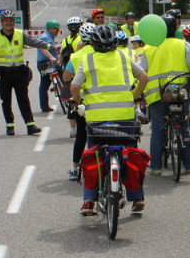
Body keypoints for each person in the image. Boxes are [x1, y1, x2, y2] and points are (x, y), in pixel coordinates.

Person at [70, 25, 149, 215]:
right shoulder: (123, 56)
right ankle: (137, 199)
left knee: (93, 156)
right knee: (130, 155)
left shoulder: (87, 59)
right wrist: (135, 96)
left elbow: (74, 87)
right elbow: (144, 77)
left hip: (97, 121)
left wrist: (80, 103)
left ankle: (89, 201)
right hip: (125, 119)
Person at [141, 13, 190, 176]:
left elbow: (141, 71)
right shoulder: (183, 45)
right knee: (184, 127)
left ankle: (156, 167)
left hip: (157, 96)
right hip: (180, 93)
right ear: (175, 28)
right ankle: (189, 165)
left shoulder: (148, 48)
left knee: (158, 130)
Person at [0, 10, 56, 135]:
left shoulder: (20, 34)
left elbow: (35, 42)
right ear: (2, 22)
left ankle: (30, 125)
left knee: (24, 99)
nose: (8, 23)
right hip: (4, 74)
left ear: (14, 22)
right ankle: (10, 126)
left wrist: (51, 47)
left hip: (19, 72)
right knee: (6, 101)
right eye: (6, 21)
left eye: (11, 21)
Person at [63, 22, 98, 181]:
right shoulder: (102, 53)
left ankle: (75, 168)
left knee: (81, 135)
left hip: (81, 100)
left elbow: (65, 77)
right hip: (99, 99)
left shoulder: (76, 56)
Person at [60, 16, 85, 138]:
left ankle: (73, 128)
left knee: (72, 102)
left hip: (69, 72)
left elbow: (61, 56)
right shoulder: (82, 39)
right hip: (80, 73)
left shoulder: (65, 40)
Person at [36, 20, 62, 112]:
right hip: (44, 63)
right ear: (50, 29)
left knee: (62, 75)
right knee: (44, 84)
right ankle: (44, 106)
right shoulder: (44, 37)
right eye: (56, 29)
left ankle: (61, 91)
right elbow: (43, 48)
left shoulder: (51, 37)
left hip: (52, 62)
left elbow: (54, 50)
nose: (57, 31)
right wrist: (51, 58)